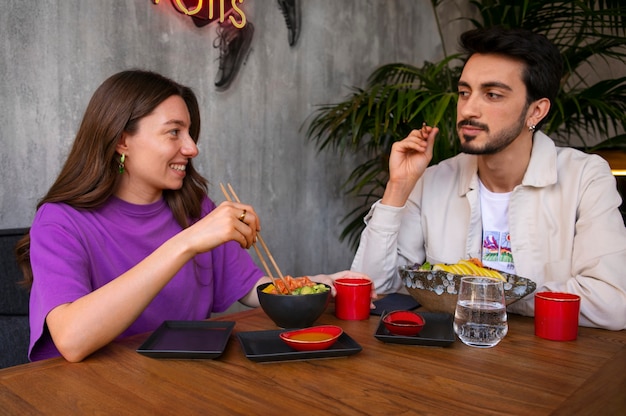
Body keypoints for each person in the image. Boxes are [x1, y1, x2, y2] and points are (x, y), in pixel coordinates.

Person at [16, 69, 368, 362]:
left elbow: (251, 288)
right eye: (174, 132)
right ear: (122, 140)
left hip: (183, 384)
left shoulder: (193, 207)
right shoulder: (60, 221)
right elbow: (72, 340)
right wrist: (185, 243)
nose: (192, 148)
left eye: (189, 132)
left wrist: (316, 285)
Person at [350, 27, 626, 331]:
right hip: (446, 364)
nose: (468, 109)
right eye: (464, 92)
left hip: (546, 365)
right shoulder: (432, 180)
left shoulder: (584, 178)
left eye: (492, 95)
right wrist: (398, 188)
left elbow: (611, 303)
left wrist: (485, 294)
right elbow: (371, 289)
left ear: (536, 111)